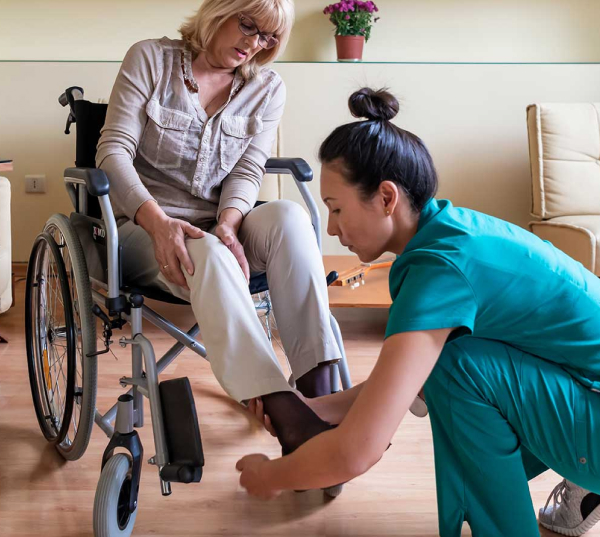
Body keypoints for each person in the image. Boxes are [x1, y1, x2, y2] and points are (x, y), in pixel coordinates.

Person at [236, 87, 600, 537]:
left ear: (386, 197)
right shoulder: (449, 231)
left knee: (455, 365)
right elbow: (407, 379)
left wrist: (270, 477)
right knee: (451, 360)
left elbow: (357, 452)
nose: (331, 228)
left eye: (336, 209)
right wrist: (312, 407)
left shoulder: (439, 271)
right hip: (584, 388)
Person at [96, 0, 342, 456]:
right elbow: (112, 153)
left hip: (220, 219)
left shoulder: (267, 88)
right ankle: (281, 408)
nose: (254, 44)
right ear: (221, 10)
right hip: (144, 225)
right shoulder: (150, 60)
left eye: (269, 37)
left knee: (291, 219)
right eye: (247, 26)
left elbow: (249, 169)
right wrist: (159, 221)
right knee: (203, 250)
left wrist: (231, 223)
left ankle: (321, 387)